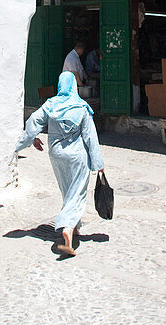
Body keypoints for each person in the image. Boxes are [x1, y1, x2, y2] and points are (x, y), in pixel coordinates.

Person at [14, 71, 106, 256]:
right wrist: (98, 164)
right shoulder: (81, 107)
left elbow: (33, 120)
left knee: (67, 190)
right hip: (77, 156)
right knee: (77, 193)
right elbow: (90, 137)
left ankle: (75, 227)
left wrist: (29, 140)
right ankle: (67, 227)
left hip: (56, 155)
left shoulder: (50, 104)